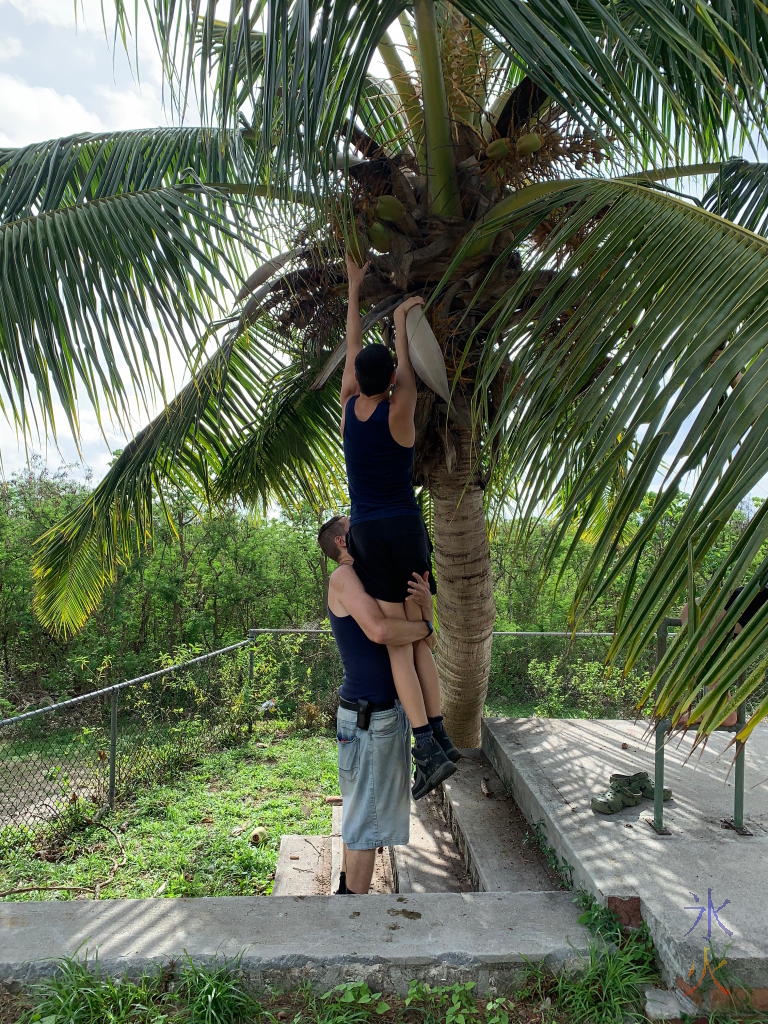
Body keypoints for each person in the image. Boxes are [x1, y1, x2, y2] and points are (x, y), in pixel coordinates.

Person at [340, 255, 458, 800]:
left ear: (357, 380)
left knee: (399, 650)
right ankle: (437, 735)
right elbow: (405, 373)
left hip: (367, 535)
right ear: (388, 379)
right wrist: (404, 322)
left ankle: (427, 748)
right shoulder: (400, 409)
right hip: (406, 531)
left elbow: (353, 348)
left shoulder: (348, 409)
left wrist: (354, 288)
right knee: (419, 640)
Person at [317, 514, 437, 894]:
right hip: (369, 719)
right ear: (341, 541)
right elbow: (382, 631)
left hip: (386, 716)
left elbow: (423, 648)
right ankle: (354, 912)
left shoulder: (373, 579)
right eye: (355, 525)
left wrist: (427, 612)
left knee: (362, 816)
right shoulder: (344, 578)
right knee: (366, 823)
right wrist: (426, 627)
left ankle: (347, 892)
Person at [678, 581, 768, 728]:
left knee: (693, 611)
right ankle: (717, 703)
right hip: (757, 590)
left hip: (760, 597)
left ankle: (719, 704)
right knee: (693, 611)